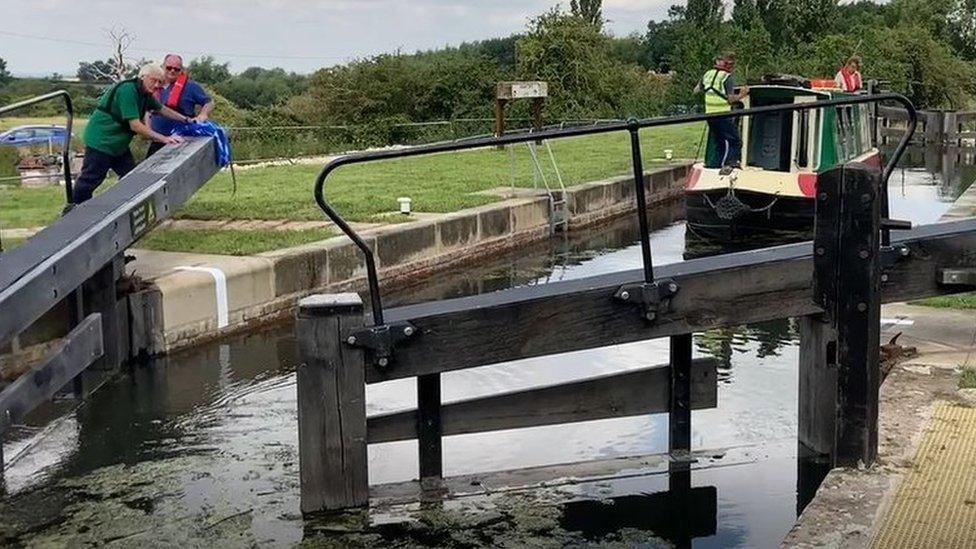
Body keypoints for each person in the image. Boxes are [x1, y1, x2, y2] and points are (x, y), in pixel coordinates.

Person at [71, 63, 189, 205]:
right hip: (102, 140)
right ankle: (73, 209)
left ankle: (125, 208)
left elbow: (162, 109)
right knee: (91, 178)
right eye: (154, 80)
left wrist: (186, 120)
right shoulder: (128, 90)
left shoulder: (145, 94)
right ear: (143, 77)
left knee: (131, 177)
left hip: (118, 144)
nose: (157, 85)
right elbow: (136, 126)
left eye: (160, 82)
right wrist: (164, 139)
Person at [146, 53, 214, 158]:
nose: (172, 71)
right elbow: (147, 111)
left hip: (183, 141)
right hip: (158, 141)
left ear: (181, 70)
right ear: (163, 67)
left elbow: (209, 102)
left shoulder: (191, 86)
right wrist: (148, 130)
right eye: (169, 68)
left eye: (176, 69)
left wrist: (203, 115)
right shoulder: (154, 85)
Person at [695, 52, 749, 169]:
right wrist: (742, 95)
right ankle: (731, 165)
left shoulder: (707, 75)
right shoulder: (726, 77)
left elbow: (697, 90)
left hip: (710, 115)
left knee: (719, 143)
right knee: (735, 141)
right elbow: (730, 100)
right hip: (723, 115)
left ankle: (714, 166)